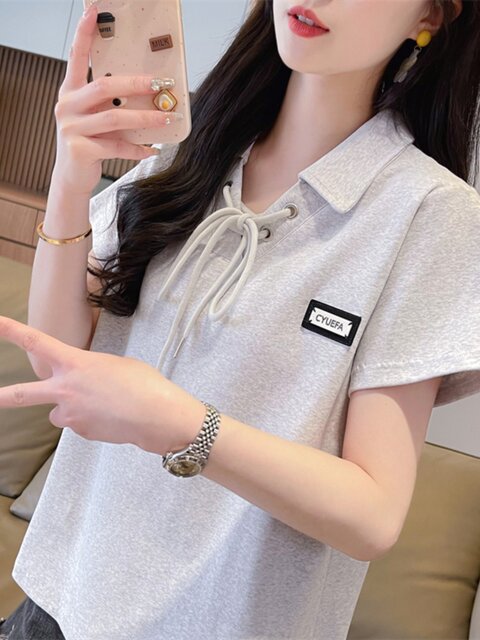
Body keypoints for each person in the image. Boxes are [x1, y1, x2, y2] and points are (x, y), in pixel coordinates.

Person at [0, 0, 479, 638]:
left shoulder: (431, 214)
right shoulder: (193, 149)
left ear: (433, 16)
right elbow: (60, 355)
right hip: (55, 604)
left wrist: (181, 423)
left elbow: (372, 516)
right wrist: (69, 177)